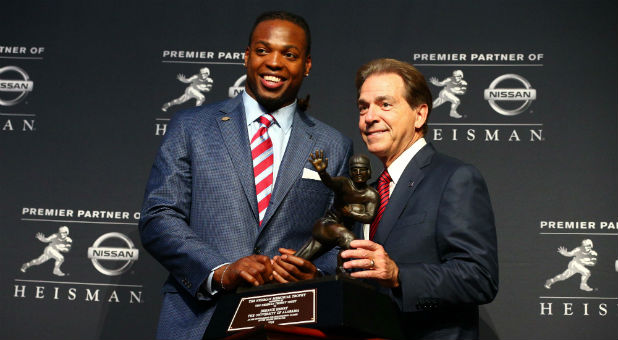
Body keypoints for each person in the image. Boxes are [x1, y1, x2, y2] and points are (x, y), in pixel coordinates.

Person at [139, 11, 352, 340]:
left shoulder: (334, 146)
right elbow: (159, 216)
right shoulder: (191, 127)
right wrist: (221, 271)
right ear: (246, 56)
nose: (275, 63)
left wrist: (314, 272)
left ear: (307, 65)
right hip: (198, 321)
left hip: (289, 326)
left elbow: (340, 239)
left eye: (289, 54)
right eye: (263, 50)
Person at [340, 58, 498, 339]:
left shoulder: (455, 178)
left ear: (420, 114)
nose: (370, 117)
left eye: (384, 104)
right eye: (363, 107)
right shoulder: (370, 193)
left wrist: (399, 275)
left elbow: (479, 278)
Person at [294, 151, 378, 272]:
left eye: (362, 169)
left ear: (368, 171)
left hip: (338, 235)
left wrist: (351, 212)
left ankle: (277, 275)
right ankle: (341, 268)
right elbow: (330, 182)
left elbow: (369, 217)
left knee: (300, 259)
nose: (358, 173)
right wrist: (322, 172)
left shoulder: (371, 195)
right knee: (351, 241)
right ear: (350, 172)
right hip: (326, 226)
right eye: (355, 170)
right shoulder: (344, 184)